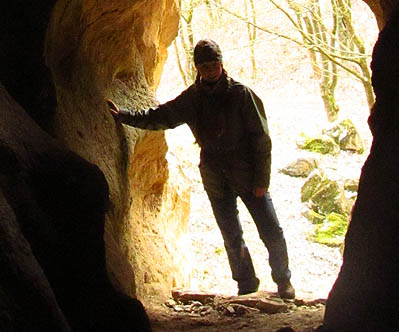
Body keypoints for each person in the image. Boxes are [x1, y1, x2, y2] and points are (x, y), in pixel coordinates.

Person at [107, 38, 295, 299]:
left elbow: (261, 139)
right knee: (231, 234)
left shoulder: (241, 95)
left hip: (247, 173)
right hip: (215, 175)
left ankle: (284, 281)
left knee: (271, 229)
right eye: (204, 66)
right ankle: (246, 284)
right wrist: (125, 116)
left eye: (213, 64)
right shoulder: (193, 98)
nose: (209, 70)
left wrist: (262, 179)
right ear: (197, 68)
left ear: (221, 63)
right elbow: (162, 116)